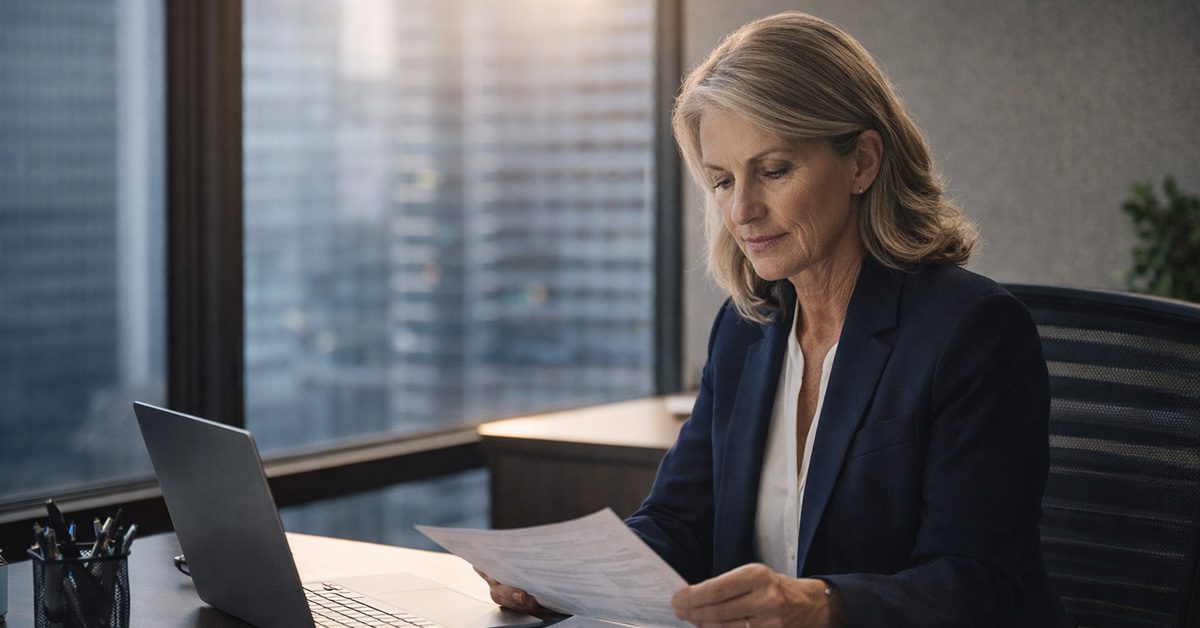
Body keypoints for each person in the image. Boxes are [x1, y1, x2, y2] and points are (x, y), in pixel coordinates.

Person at [479, 11, 1070, 627]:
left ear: (862, 162)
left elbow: (980, 584)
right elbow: (679, 523)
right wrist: (560, 580)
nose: (742, 210)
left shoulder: (971, 331)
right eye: (723, 180)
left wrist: (822, 605)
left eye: (774, 170)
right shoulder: (747, 328)